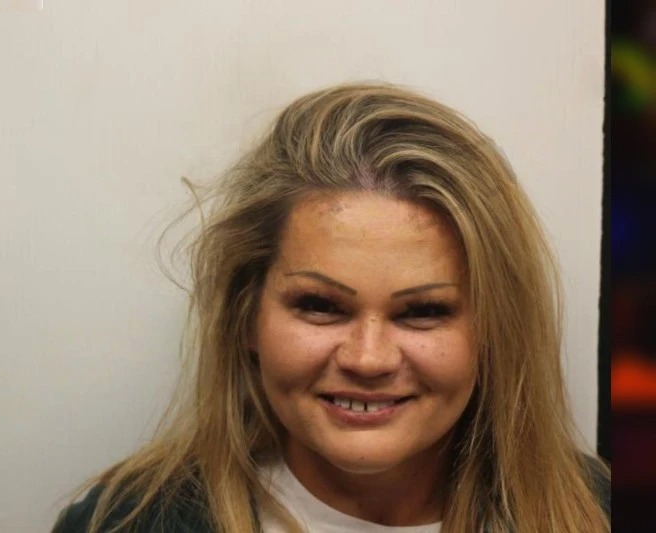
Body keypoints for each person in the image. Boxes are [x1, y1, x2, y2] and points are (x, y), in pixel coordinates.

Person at [53, 83, 610, 532]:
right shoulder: (124, 523)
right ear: (247, 317)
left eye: (423, 312)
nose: (368, 360)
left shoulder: (601, 512)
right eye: (319, 305)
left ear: (494, 330)